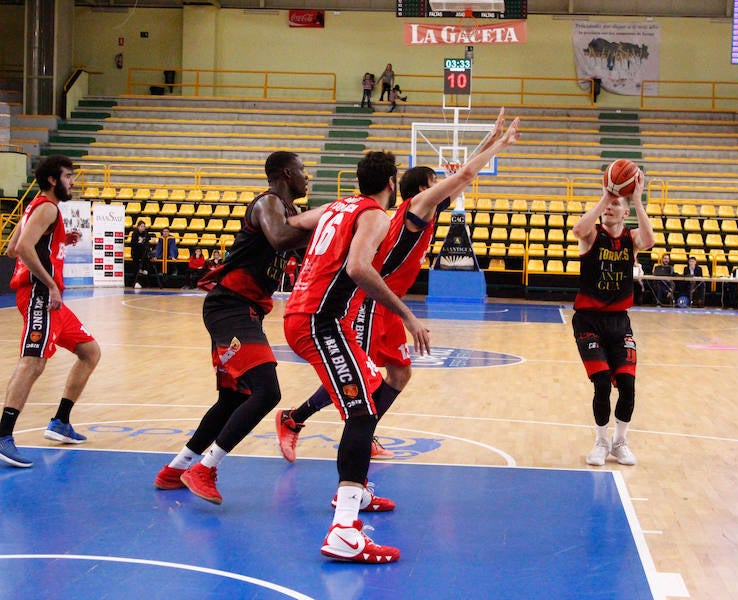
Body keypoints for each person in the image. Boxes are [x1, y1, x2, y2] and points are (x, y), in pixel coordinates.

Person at [276, 110, 520, 463]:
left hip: (388, 303)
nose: (445, 184)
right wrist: (501, 144)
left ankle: (361, 431)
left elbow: (463, 178)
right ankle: (299, 420)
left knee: (400, 373)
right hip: (371, 300)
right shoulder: (416, 208)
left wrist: (489, 141)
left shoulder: (424, 209)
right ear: (421, 189)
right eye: (435, 181)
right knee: (356, 375)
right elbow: (465, 174)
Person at [282, 150, 432, 564]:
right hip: (321, 320)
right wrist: (407, 315)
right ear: (391, 184)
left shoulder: (337, 207)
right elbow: (359, 268)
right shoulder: (375, 216)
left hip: (309, 314)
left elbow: (293, 224)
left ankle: (354, 494)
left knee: (366, 400)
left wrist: (270, 207)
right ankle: (345, 529)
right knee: (362, 413)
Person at [153, 151, 324, 504]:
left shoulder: (289, 212)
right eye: (302, 170)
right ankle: (204, 469)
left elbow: (308, 254)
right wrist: (325, 217)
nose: (306, 176)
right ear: (285, 174)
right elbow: (280, 238)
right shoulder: (269, 204)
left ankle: (174, 470)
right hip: (230, 307)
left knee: (234, 398)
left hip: (243, 311)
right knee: (267, 392)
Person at [0, 155, 102, 468]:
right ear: (53, 180)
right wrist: (51, 285)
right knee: (33, 362)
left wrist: (60, 239)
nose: (73, 182)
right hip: (40, 296)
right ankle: (3, 435)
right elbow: (21, 249)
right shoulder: (47, 208)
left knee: (90, 352)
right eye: (69, 176)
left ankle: (60, 422)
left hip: (47, 297)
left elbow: (11, 247)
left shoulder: (36, 207)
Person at [571, 162, 652, 467]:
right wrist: (607, 194)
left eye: (616, 204)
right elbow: (578, 229)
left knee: (628, 386)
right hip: (588, 320)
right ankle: (601, 442)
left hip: (619, 322)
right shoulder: (591, 236)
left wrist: (637, 199)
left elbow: (650, 241)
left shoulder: (631, 239)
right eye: (608, 204)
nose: (610, 207)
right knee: (603, 382)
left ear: (625, 212)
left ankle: (619, 442)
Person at [129, 219, 154, 289]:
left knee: (148, 257)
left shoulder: (146, 233)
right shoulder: (135, 233)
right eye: (141, 226)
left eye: (144, 226)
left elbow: (148, 242)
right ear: (138, 227)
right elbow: (133, 244)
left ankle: (145, 271)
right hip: (136, 252)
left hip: (143, 252)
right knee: (136, 264)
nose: (143, 228)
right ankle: (135, 281)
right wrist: (140, 245)